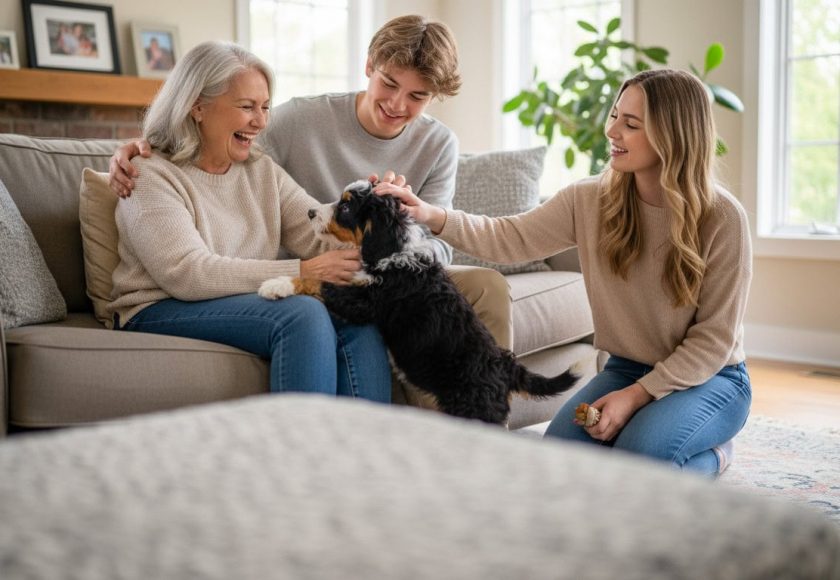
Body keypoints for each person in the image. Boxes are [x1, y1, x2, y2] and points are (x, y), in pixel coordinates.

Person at [380, 68, 753, 477]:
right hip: (627, 367)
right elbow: (510, 237)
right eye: (615, 116)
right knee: (559, 465)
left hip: (710, 379)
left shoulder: (723, 218)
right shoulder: (589, 199)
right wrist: (431, 214)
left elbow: (715, 340)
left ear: (673, 136)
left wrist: (637, 396)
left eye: (630, 124)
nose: (613, 131)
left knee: (638, 462)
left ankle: (715, 456)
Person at [108, 15, 513, 354]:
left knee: (477, 288)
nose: (397, 105)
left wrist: (391, 233)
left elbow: (436, 245)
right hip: (283, 277)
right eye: (389, 84)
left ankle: (456, 434)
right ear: (370, 65)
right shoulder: (299, 121)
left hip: (384, 265)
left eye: (417, 96)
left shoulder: (438, 143)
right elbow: (211, 145)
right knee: (323, 310)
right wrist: (142, 145)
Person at [108, 40, 391, 402]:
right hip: (156, 307)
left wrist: (379, 214)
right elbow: (186, 273)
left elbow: (318, 236)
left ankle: (365, 451)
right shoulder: (147, 174)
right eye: (246, 107)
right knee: (302, 313)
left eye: (265, 107)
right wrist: (303, 271)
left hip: (238, 298)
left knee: (357, 312)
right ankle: (296, 455)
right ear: (198, 107)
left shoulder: (261, 171)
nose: (260, 121)